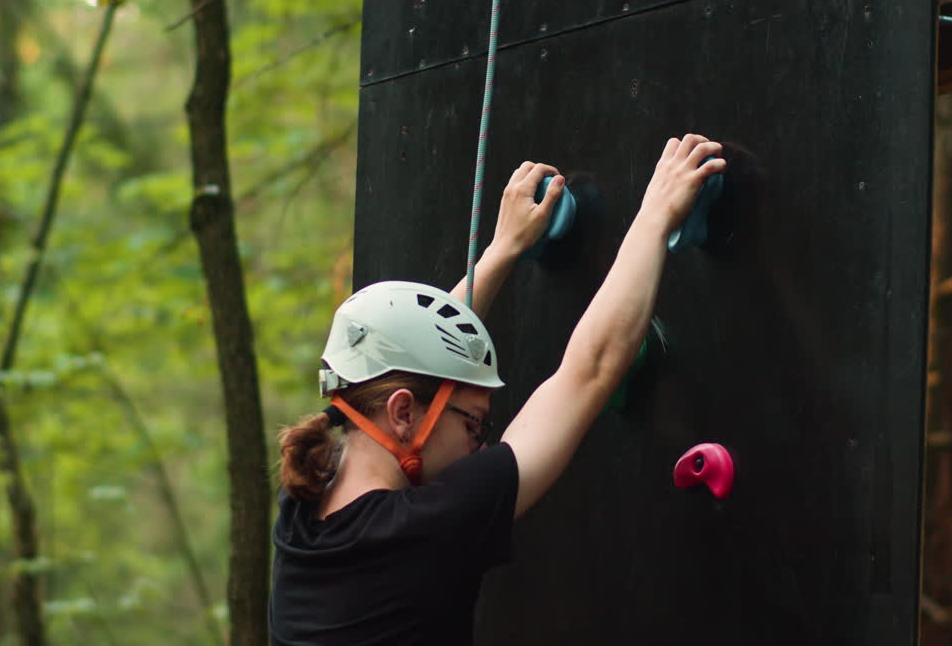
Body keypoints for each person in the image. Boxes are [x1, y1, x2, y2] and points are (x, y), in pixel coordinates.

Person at [270, 134, 726, 645]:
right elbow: (590, 370)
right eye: (474, 422)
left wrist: (502, 250)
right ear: (400, 414)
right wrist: (657, 214)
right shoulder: (426, 527)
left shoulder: (303, 513)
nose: (480, 444)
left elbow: (409, 356)